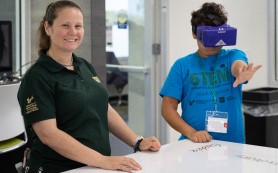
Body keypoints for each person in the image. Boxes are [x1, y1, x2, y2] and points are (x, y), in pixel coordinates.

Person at [17, 1, 161, 172]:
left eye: (78, 26)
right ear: (48, 28)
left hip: (94, 166)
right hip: (60, 168)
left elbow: (103, 109)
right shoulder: (37, 77)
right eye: (65, 25)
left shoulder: (83, 66)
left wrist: (137, 141)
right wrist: (103, 160)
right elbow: (49, 135)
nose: (73, 32)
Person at [160, 2, 262, 144]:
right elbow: (167, 108)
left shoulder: (232, 56)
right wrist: (191, 133)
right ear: (194, 34)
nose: (214, 43)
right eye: (208, 37)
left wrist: (241, 72)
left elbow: (237, 65)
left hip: (232, 145)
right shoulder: (181, 66)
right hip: (193, 144)